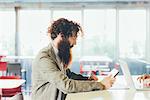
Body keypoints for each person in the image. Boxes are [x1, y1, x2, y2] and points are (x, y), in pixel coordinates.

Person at [31, 18, 116, 100]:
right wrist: (101, 85)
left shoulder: (56, 53)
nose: (75, 42)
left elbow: (68, 75)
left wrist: (87, 79)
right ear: (62, 35)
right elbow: (66, 85)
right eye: (74, 37)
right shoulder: (44, 58)